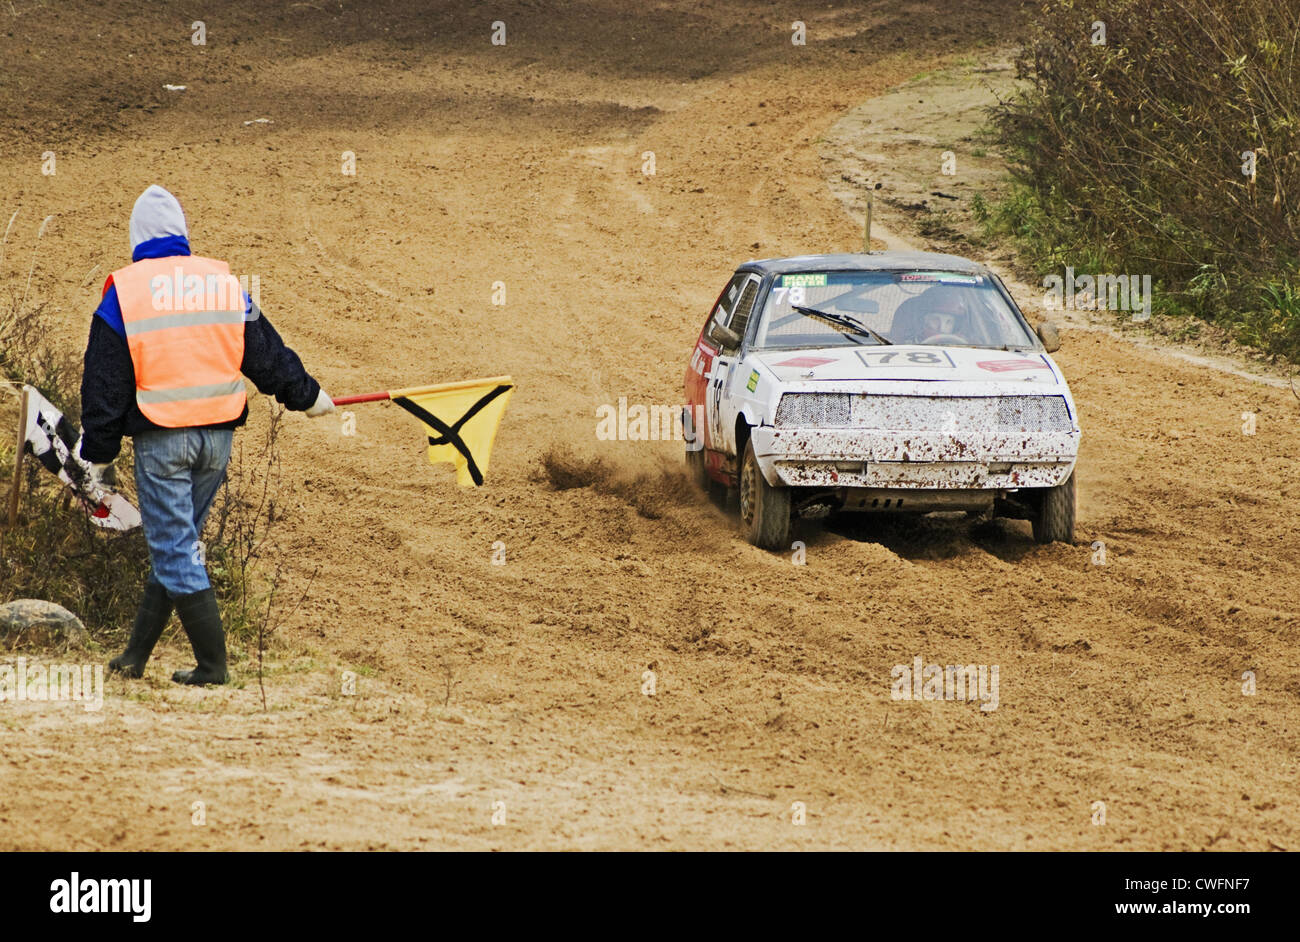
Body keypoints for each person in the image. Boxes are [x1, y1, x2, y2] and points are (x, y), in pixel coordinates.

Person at [79, 184, 334, 685]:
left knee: (174, 547)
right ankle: (135, 657)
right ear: (183, 235)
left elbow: (104, 382)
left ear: (137, 239)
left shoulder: (125, 291)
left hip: (162, 441)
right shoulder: (222, 283)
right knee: (179, 542)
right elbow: (265, 352)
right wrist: (307, 395)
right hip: (217, 441)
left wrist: (98, 454)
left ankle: (213, 667)